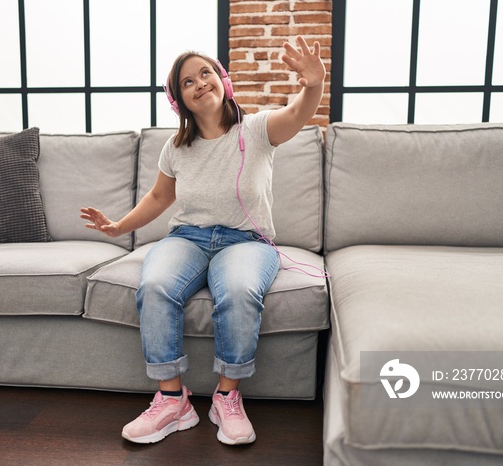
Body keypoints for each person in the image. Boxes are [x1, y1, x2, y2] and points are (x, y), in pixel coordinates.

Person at [80, 36, 325, 445]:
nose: (199, 83)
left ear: (223, 81)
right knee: (155, 284)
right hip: (188, 237)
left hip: (247, 242)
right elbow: (160, 197)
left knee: (240, 290)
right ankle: (172, 400)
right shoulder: (176, 147)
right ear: (180, 101)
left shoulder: (259, 129)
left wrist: (313, 84)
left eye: (205, 73)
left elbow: (299, 112)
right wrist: (118, 227)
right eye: (187, 82)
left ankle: (227, 397)